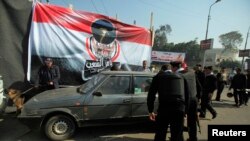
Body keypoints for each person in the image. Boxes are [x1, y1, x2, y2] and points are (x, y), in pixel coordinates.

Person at [147, 62, 189, 141]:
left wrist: (150, 110)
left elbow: (151, 95)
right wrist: (185, 111)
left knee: (160, 133)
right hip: (179, 109)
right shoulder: (182, 77)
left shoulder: (158, 77)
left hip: (164, 109)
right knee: (177, 134)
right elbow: (187, 95)